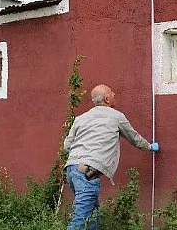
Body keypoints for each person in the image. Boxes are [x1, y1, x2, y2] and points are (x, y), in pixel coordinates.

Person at [63, 84, 160, 230]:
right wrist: (149, 146)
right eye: (112, 93)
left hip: (72, 169)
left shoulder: (80, 118)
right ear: (107, 99)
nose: (115, 94)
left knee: (93, 218)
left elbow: (67, 145)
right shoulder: (117, 117)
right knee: (79, 221)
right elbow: (134, 138)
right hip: (87, 172)